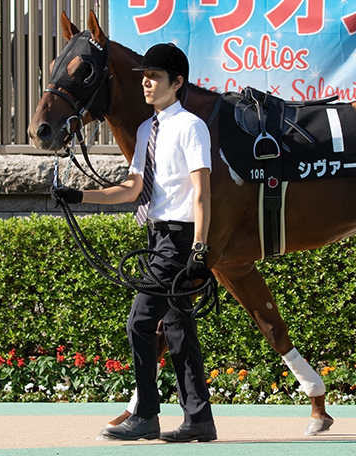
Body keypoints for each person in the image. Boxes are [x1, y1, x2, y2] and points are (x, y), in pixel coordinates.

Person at [53, 43, 216, 443]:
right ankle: (199, 419)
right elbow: (132, 189)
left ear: (176, 83)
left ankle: (145, 414)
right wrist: (80, 196)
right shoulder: (148, 130)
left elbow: (202, 194)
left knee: (141, 322)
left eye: (155, 76)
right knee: (177, 329)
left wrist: (199, 248)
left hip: (180, 241)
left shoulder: (192, 127)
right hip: (158, 237)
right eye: (144, 75)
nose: (145, 81)